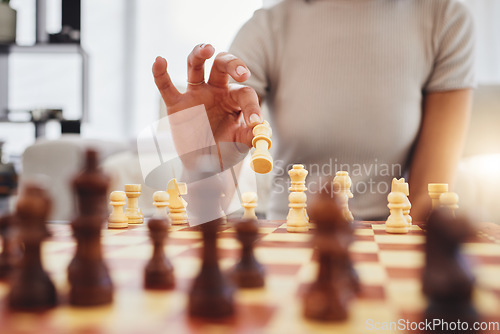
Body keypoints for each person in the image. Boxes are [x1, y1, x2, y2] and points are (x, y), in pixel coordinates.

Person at [152, 0, 474, 222]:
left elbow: (428, 198)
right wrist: (205, 162)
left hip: (393, 236)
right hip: (289, 232)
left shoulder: (445, 19)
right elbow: (206, 213)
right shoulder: (269, 27)